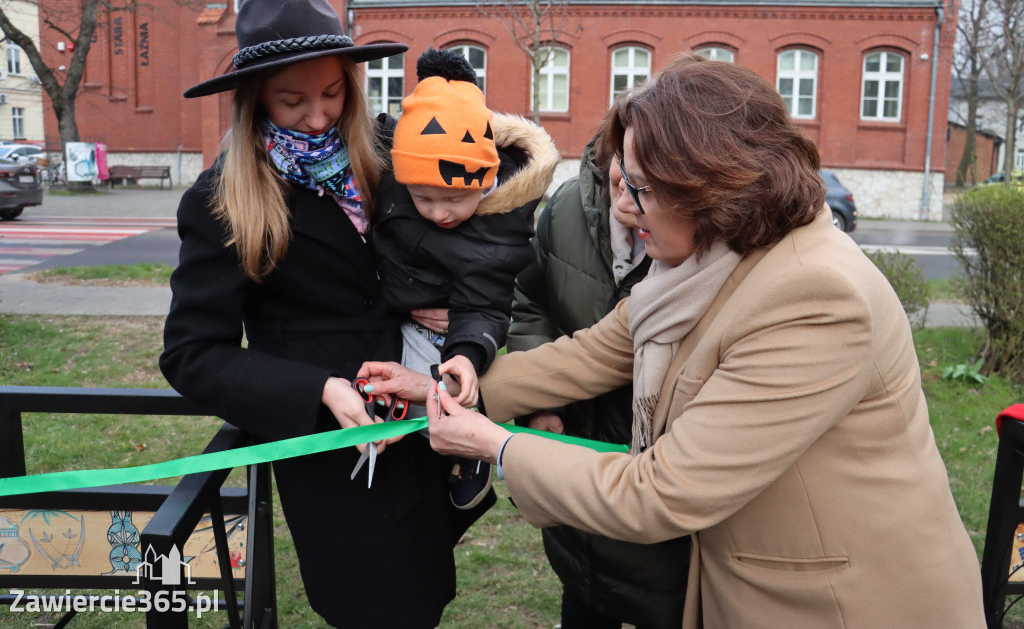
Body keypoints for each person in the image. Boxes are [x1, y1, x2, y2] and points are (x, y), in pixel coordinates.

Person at [362, 54, 987, 628]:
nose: (625, 210)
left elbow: (659, 492)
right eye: (621, 181)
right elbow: (593, 353)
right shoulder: (708, 260)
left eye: (640, 188)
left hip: (842, 606)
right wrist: (436, 388)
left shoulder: (814, 296)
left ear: (710, 187)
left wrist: (496, 446)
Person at [159, 0, 493, 629]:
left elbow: (474, 225)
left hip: (421, 419)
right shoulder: (221, 201)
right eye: (293, 100)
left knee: (424, 597)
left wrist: (453, 311)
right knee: (371, 604)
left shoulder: (393, 154)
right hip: (335, 453)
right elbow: (191, 355)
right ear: (255, 98)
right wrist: (317, 389)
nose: (319, 118)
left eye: (334, 93)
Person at [508, 125, 690, 628]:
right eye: (625, 172)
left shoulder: (705, 239)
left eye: (654, 184)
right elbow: (530, 303)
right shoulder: (567, 209)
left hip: (663, 484)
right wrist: (539, 406)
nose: (630, 194)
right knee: (587, 594)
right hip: (578, 467)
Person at [374, 46, 557, 509]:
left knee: (451, 376)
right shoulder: (394, 176)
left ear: (485, 179)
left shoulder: (503, 225)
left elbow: (487, 304)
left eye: (454, 198)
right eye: (423, 197)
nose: (439, 213)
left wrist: (468, 354)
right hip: (397, 306)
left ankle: (469, 449)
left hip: (458, 317)